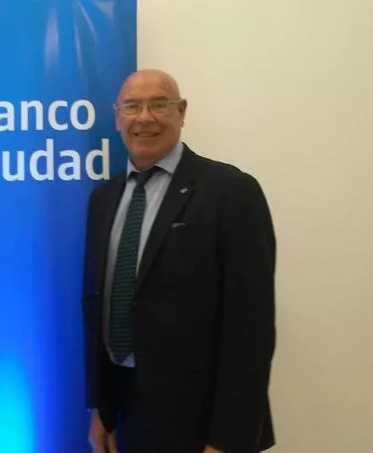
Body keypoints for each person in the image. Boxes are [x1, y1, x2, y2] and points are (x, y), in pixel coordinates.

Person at [82, 69, 276, 453]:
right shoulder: (103, 199)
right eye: (132, 107)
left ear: (181, 111)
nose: (144, 118)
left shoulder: (231, 192)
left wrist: (228, 439)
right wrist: (102, 408)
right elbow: (100, 306)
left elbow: (250, 330)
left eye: (159, 104)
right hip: (126, 413)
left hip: (201, 421)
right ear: (118, 117)